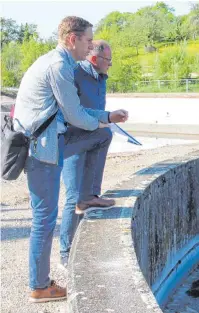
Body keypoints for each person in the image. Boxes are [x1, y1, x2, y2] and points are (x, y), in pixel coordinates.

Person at [13, 16, 128, 303]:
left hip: (52, 142)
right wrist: (104, 119)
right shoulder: (59, 67)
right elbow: (75, 114)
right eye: (88, 40)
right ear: (72, 39)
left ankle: (86, 197)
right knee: (44, 219)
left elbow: (74, 114)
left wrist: (105, 120)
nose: (91, 45)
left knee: (102, 136)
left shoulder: (60, 62)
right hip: (42, 150)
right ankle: (39, 286)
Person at [59, 40, 114, 269]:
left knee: (106, 135)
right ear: (95, 59)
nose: (110, 65)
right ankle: (66, 252)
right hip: (72, 141)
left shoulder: (101, 77)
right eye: (108, 61)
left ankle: (92, 194)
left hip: (90, 139)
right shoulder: (73, 73)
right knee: (72, 197)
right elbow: (72, 110)